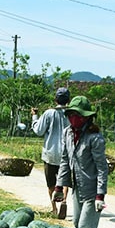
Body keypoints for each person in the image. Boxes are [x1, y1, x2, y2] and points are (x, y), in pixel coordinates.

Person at [53, 95, 108, 228]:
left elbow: (102, 168)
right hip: (77, 188)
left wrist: (100, 195)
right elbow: (65, 160)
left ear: (86, 117)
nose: (74, 118)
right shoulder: (67, 133)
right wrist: (59, 187)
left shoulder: (94, 137)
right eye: (71, 115)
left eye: (78, 115)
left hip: (92, 191)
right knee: (77, 223)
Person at [32, 87, 71, 217]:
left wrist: (34, 116)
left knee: (51, 183)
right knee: (64, 180)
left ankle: (54, 208)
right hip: (67, 153)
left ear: (55, 99)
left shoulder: (49, 113)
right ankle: (64, 202)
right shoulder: (72, 113)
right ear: (68, 100)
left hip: (51, 153)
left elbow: (38, 130)